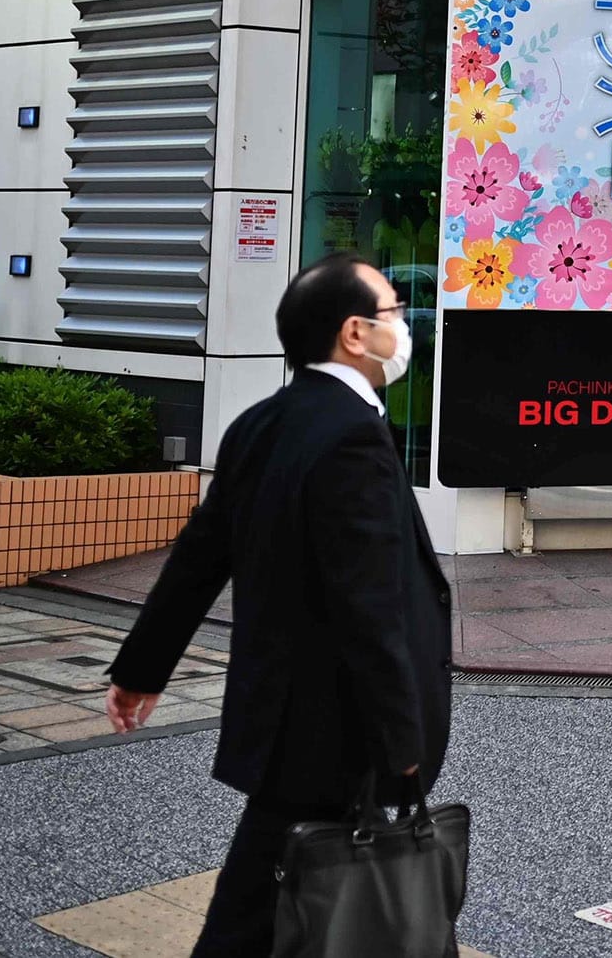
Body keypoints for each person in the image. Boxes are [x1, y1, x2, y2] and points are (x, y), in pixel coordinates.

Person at [105, 254, 453, 958]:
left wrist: (142, 667)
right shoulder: (354, 434)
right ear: (355, 333)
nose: (405, 326)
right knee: (271, 914)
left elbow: (198, 560)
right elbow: (370, 605)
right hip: (336, 730)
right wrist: (402, 742)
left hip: (283, 721)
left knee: (266, 905)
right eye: (393, 311)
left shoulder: (262, 421)